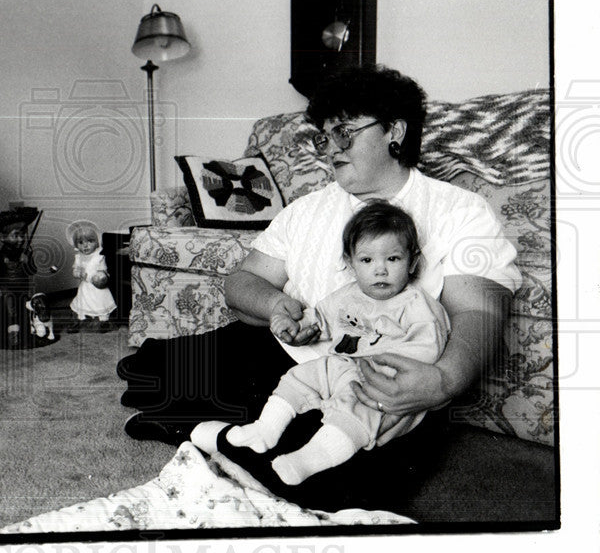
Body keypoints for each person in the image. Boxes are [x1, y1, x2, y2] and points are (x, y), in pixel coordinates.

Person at [118, 64, 520, 512]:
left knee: (335, 481)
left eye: (344, 133)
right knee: (148, 373)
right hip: (290, 355)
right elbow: (241, 282)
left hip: (379, 379)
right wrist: (275, 305)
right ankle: (227, 420)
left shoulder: (460, 210)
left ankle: (219, 428)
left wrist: (443, 381)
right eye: (324, 138)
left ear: (396, 132)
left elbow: (480, 312)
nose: (331, 150)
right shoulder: (307, 209)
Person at [190, 201, 449, 487]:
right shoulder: (347, 295)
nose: (380, 271)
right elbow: (320, 318)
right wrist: (294, 325)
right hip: (339, 364)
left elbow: (427, 348)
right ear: (351, 264)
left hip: (381, 378)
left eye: (393, 259)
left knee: (359, 410)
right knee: (300, 376)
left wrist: (383, 366)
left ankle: (310, 459)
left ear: (412, 262)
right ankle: (264, 430)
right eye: (367, 261)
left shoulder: (416, 305)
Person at [0, 206, 40, 349]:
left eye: (22, 235)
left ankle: (28, 333)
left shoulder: (26, 254)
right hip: (7, 292)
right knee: (11, 310)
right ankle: (13, 335)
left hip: (23, 290)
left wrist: (27, 262)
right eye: (16, 235)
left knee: (27, 310)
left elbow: (32, 271)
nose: (20, 239)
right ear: (2, 237)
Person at [66, 220, 116, 332]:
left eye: (90, 241)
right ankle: (79, 320)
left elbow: (103, 270)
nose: (85, 245)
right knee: (81, 303)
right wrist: (77, 273)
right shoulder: (78, 257)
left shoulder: (99, 256)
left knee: (99, 303)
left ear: (97, 242)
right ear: (76, 245)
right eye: (81, 242)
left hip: (97, 286)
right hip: (85, 287)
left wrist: (100, 276)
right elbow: (75, 269)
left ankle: (104, 322)